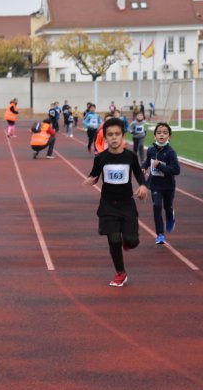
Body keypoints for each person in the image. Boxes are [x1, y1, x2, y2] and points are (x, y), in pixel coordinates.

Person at [83, 118, 147, 287]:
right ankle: (120, 273)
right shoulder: (101, 158)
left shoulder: (130, 156)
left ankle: (128, 240)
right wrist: (91, 180)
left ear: (123, 136)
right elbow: (95, 174)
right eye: (110, 134)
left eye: (117, 134)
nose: (114, 138)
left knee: (132, 241)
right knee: (113, 239)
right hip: (108, 205)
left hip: (127, 204)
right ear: (105, 137)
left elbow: (139, 174)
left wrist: (142, 186)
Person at [141, 123, 180, 244]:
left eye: (164, 133)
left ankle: (170, 216)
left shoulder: (171, 152)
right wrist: (144, 167)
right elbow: (148, 161)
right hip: (155, 184)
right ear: (154, 136)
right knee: (157, 206)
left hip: (168, 186)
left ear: (169, 137)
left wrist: (161, 166)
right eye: (159, 133)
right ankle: (160, 234)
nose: (161, 135)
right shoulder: (151, 150)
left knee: (167, 207)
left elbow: (176, 170)